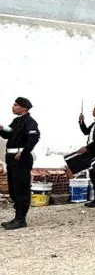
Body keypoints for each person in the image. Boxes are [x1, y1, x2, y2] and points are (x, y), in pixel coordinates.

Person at [0, 97, 40, 230]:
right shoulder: (16, 121)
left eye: (16, 105)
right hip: (12, 158)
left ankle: (21, 219)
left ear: (24, 108)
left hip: (21, 159)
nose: (13, 107)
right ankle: (17, 217)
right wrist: (1, 128)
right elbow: (8, 135)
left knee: (21, 188)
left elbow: (34, 137)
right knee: (13, 188)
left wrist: (24, 152)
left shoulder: (29, 122)